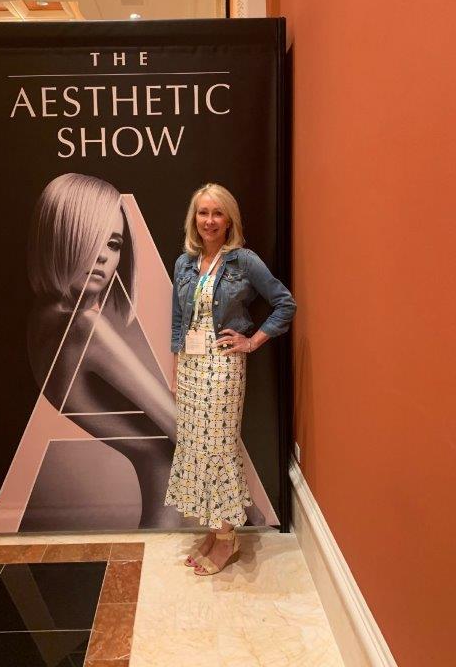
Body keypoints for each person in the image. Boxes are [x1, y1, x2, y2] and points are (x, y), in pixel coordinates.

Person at [27, 173, 181, 528]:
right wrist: (248, 508)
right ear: (55, 238)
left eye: (113, 244)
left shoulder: (43, 316)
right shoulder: (84, 326)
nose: (102, 257)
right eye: (87, 238)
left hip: (163, 506)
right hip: (165, 512)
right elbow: (183, 427)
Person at [164, 183, 297, 575]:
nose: (209, 221)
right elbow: (177, 321)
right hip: (190, 368)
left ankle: (225, 538)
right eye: (203, 213)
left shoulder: (244, 261)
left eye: (217, 213)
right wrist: (176, 367)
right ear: (194, 219)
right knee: (195, 447)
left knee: (218, 449)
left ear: (229, 220)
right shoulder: (184, 263)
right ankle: (212, 530)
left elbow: (284, 303)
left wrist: (252, 341)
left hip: (222, 368)